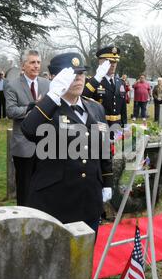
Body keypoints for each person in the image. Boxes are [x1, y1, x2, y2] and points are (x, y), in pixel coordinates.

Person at [21, 52, 113, 234]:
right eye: (71, 74)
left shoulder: (96, 108)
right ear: (55, 78)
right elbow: (29, 130)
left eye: (81, 73)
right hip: (56, 201)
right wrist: (53, 95)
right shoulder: (45, 109)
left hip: (89, 199)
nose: (78, 78)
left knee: (86, 257)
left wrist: (107, 181)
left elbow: (103, 148)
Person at [5, 50, 50, 206]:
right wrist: (31, 109)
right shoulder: (13, 85)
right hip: (23, 144)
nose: (36, 66)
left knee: (43, 186)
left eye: (38, 62)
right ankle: (24, 221)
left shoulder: (47, 84)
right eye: (32, 62)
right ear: (23, 65)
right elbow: (10, 111)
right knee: (24, 188)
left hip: (45, 143)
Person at [82, 46, 127, 127]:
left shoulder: (121, 82)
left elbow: (123, 109)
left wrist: (125, 126)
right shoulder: (93, 82)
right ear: (101, 63)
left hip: (117, 125)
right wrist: (97, 78)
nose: (113, 65)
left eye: (115, 62)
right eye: (110, 62)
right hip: (100, 125)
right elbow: (83, 97)